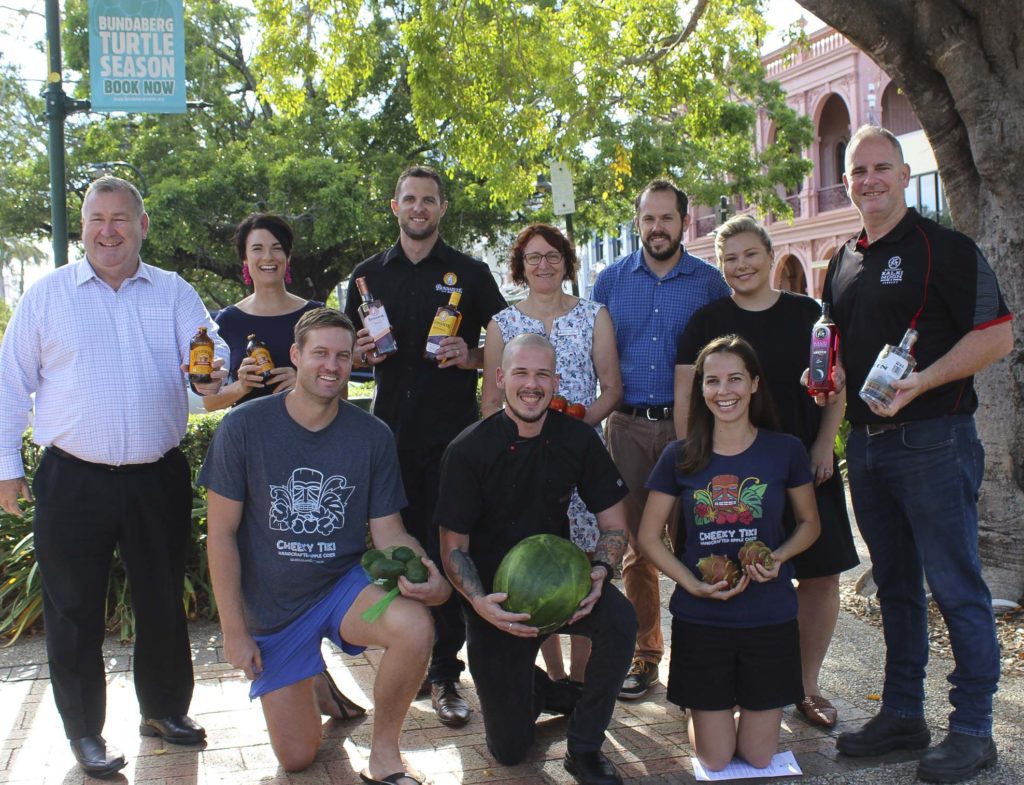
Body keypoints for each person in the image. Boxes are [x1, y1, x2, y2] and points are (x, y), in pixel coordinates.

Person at [0, 176, 227, 777]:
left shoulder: (175, 292)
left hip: (157, 476)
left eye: (121, 218)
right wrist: (5, 470)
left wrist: (212, 371)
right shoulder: (47, 298)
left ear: (143, 226)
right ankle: (84, 732)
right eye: (97, 218)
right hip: (72, 480)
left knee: (161, 599)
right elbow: (7, 384)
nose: (109, 230)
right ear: (82, 228)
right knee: (72, 611)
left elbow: (209, 347)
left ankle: (163, 711)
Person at [810, 125, 1013, 784]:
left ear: (902, 173)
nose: (868, 180)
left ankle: (974, 728)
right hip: (865, 448)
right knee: (897, 587)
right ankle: (902, 712)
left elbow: (997, 336)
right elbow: (836, 348)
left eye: (879, 167)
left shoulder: (944, 249)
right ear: (846, 184)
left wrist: (922, 381)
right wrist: (829, 379)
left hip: (935, 440)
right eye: (857, 172)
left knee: (956, 589)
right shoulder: (842, 261)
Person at [199, 308, 451, 783]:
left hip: (343, 588)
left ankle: (384, 756)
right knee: (297, 758)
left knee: (414, 627)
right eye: (319, 353)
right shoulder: (244, 428)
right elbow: (222, 535)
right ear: (296, 356)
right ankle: (311, 675)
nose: (331, 365)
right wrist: (234, 630)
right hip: (274, 607)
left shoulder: (371, 435)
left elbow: (389, 531)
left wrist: (428, 574)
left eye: (342, 355)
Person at [674, 215, 859, 727]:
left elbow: (834, 386)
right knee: (735, 572)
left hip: (804, 466)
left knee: (820, 575)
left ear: (769, 254)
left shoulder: (809, 316)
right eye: (729, 258)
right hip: (729, 479)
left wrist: (825, 444)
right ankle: (735, 688)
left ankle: (805, 686)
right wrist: (692, 471)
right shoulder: (706, 322)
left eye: (750, 254)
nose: (741, 265)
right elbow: (686, 403)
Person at [344, 165, 506, 728]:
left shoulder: (471, 273)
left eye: (428, 200)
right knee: (400, 554)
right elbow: (348, 362)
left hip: (453, 439)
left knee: (448, 553)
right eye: (408, 199)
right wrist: (361, 354)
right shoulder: (366, 278)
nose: (418, 208)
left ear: (442, 208)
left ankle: (444, 674)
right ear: (394, 206)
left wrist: (473, 355)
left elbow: (506, 345)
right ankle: (409, 657)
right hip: (386, 436)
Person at [437, 334, 637, 785]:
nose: (532, 384)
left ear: (556, 380)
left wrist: (601, 571)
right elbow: (453, 548)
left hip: (561, 587)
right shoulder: (468, 450)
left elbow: (614, 525)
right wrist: (480, 603)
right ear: (500, 377)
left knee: (620, 621)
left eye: (542, 374)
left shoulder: (577, 439)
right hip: (496, 600)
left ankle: (584, 748)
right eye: (522, 373)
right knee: (508, 752)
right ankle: (546, 690)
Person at [638, 335, 820, 772]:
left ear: (754, 383)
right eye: (713, 381)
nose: (725, 391)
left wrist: (776, 557)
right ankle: (702, 712)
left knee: (758, 756)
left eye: (736, 379)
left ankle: (720, 708)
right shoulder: (679, 456)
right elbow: (646, 537)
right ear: (701, 389)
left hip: (769, 616)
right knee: (715, 759)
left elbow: (811, 524)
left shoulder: (785, 450)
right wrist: (692, 584)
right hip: (703, 620)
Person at [592, 178, 731, 699]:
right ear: (638, 223)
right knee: (634, 547)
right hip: (626, 427)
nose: (657, 228)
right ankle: (646, 654)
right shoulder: (609, 283)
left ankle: (703, 652)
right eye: (648, 219)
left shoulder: (709, 283)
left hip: (690, 427)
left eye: (666, 218)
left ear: (683, 222)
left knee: (699, 539)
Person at [480, 223, 622, 684]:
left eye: (552, 255)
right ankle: (555, 675)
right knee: (532, 563)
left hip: (580, 458)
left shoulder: (593, 315)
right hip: (519, 461)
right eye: (533, 257)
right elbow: (489, 403)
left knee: (580, 563)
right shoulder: (502, 324)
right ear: (520, 266)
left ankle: (580, 676)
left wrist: (576, 431)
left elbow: (612, 387)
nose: (543, 264)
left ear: (566, 261)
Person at [201, 213, 323, 412]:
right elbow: (209, 402)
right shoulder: (228, 321)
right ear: (245, 259)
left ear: (288, 256)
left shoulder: (316, 315)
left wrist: (305, 384)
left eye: (277, 248)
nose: (268, 257)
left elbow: (341, 394)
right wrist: (241, 386)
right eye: (257, 249)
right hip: (249, 437)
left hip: (311, 436)